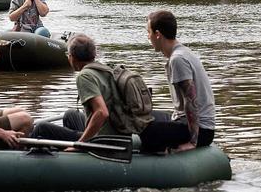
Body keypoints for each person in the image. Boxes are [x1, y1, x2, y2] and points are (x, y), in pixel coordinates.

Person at [31, 34, 191, 153]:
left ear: (72, 58)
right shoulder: (104, 69)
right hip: (119, 133)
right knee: (70, 115)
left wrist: (79, 144)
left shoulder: (84, 76)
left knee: (42, 129)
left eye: (68, 55)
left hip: (104, 141)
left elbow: (102, 112)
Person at [147, 10, 216, 151]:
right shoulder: (182, 52)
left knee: (148, 131)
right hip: (185, 122)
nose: (148, 37)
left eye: (149, 32)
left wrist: (193, 142)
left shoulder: (178, 59)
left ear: (158, 34)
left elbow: (191, 102)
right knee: (140, 118)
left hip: (201, 131)